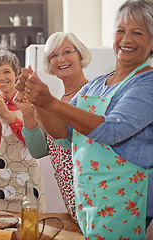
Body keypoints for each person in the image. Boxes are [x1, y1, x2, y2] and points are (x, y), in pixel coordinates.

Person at [16, 0, 153, 238]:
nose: (126, 39)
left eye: (137, 32)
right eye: (120, 30)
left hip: (127, 199)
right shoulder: (98, 84)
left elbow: (111, 130)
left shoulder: (146, 82)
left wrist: (48, 102)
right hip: (90, 198)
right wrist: (37, 102)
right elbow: (63, 134)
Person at [14, 32, 91, 220]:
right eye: (54, 56)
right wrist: (26, 111)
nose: (61, 59)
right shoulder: (57, 101)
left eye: (67, 52)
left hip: (89, 190)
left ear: (80, 55)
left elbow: (70, 141)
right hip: (69, 194)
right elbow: (38, 150)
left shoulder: (90, 95)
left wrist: (41, 107)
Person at [0, 49, 45, 213]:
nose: (2, 77)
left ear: (16, 73)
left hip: (27, 177)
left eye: (6, 71)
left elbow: (33, 142)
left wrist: (7, 114)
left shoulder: (29, 103)